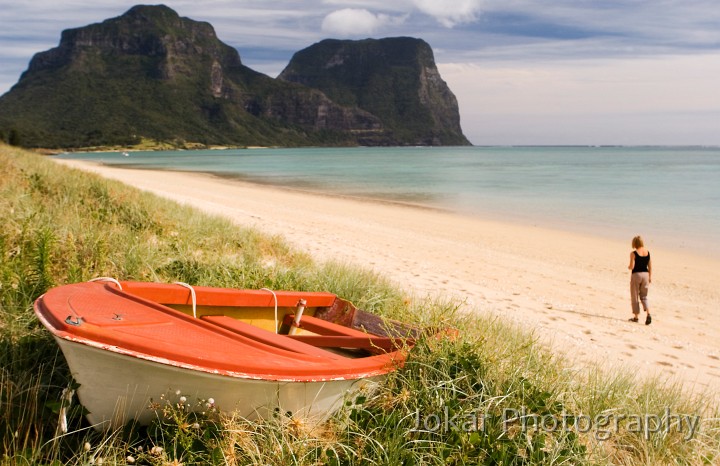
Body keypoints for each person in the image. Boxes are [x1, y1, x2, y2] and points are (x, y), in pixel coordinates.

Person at [628, 235, 652, 325]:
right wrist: (650, 276)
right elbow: (650, 265)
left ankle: (636, 317)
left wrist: (629, 267)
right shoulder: (647, 252)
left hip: (636, 275)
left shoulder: (633, 253)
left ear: (634, 243)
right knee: (644, 296)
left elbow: (632, 266)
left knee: (634, 296)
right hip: (646, 275)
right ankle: (648, 314)